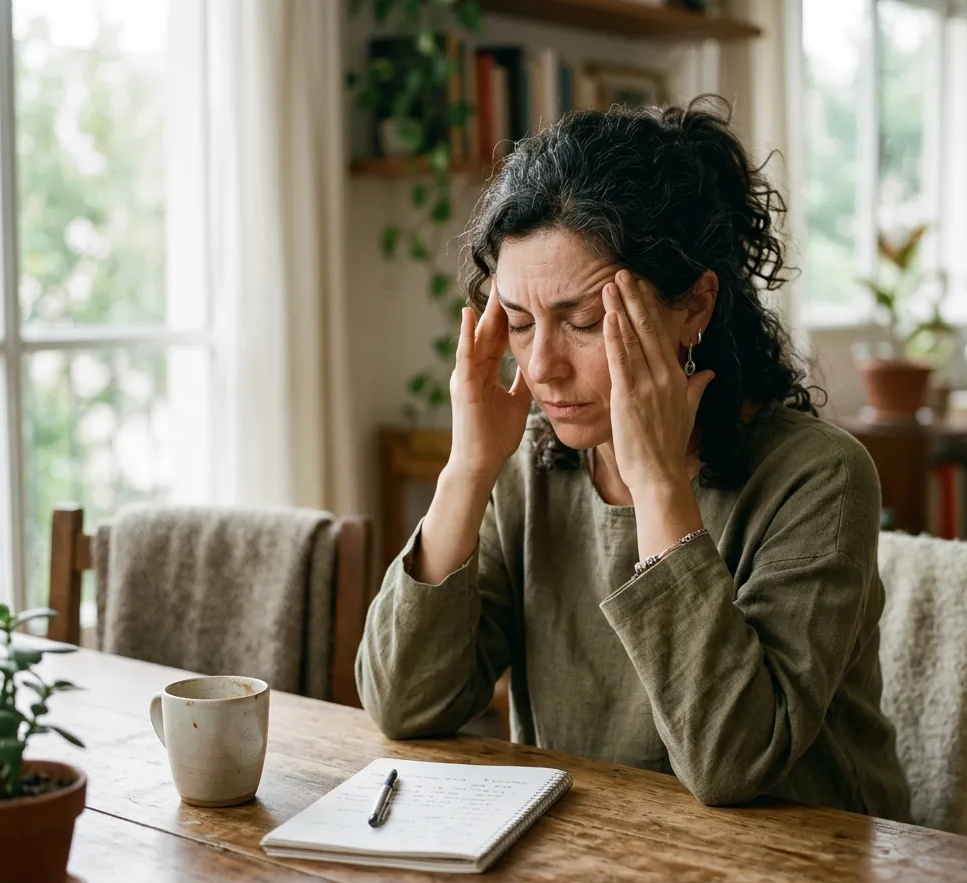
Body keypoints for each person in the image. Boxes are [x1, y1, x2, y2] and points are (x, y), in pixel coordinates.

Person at [358, 95, 911, 820]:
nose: (545, 366)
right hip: (595, 856)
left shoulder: (819, 479)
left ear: (695, 307)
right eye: (519, 323)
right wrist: (466, 471)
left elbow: (733, 762)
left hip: (796, 865)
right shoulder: (530, 464)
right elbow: (404, 705)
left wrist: (657, 483)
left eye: (584, 322)